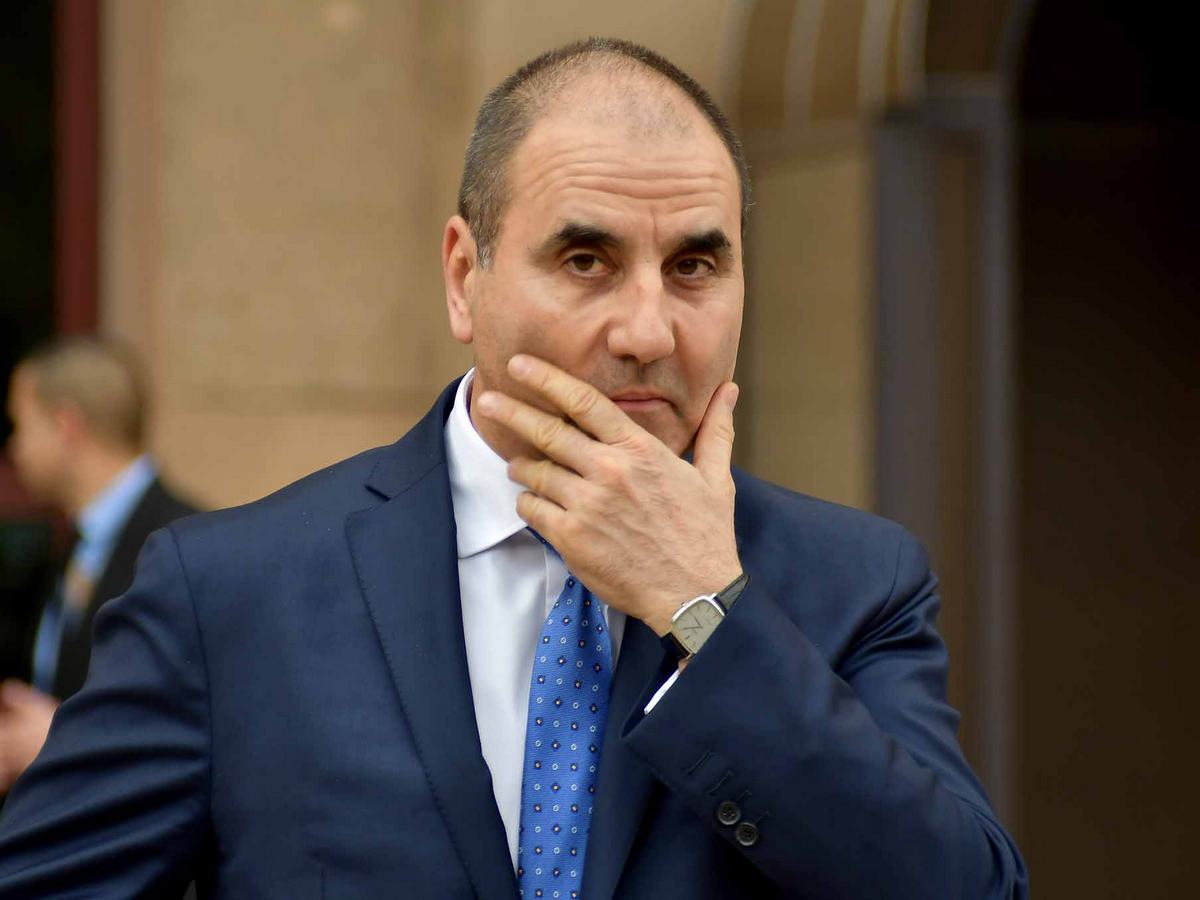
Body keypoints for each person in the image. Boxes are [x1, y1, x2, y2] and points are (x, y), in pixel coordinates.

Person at [0, 38, 1027, 898]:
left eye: (695, 266)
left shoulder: (853, 584)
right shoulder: (230, 595)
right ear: (464, 277)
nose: (647, 330)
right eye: (586, 261)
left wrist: (708, 613)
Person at [0, 338, 196, 792]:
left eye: (20, 425)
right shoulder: (73, 542)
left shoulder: (187, 543)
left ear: (65, 425)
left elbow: (197, 720)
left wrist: (65, 739)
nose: (13, 448)